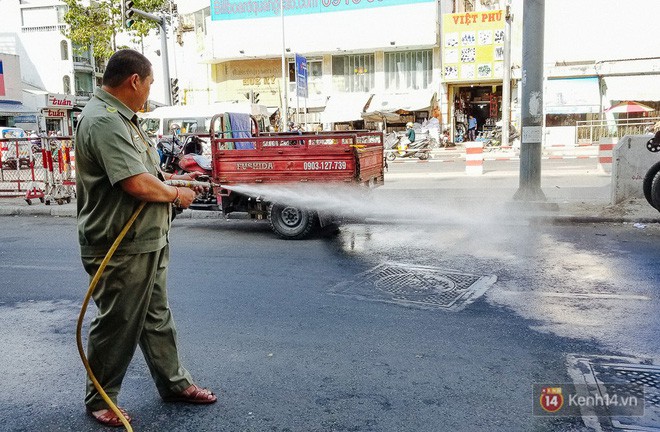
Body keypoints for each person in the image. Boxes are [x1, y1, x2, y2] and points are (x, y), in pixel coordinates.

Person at [74, 49, 216, 428]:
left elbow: (144, 173)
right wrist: (175, 195)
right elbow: (134, 183)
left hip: (146, 238)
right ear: (134, 80)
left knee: (155, 316)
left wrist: (176, 182)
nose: (150, 93)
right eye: (150, 83)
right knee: (119, 322)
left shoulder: (125, 120)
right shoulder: (104, 121)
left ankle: (174, 383)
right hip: (119, 244)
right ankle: (100, 397)